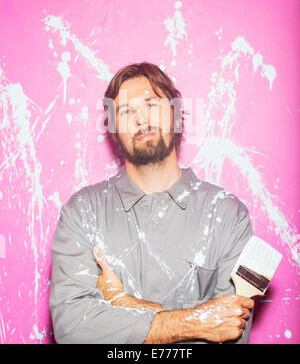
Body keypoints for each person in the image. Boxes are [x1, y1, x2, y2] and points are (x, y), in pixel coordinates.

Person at [49, 62, 254, 344]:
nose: (141, 119)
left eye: (151, 104)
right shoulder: (82, 213)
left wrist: (125, 304)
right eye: (126, 111)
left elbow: (231, 332)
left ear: (177, 114)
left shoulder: (229, 215)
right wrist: (198, 321)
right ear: (114, 130)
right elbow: (72, 330)